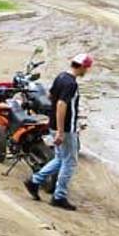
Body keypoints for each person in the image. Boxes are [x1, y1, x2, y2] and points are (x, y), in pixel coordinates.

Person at [24, 53, 93, 211]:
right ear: (82, 67)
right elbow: (62, 104)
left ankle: (34, 181)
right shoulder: (71, 84)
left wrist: (55, 125)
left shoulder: (61, 77)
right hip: (66, 128)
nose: (87, 71)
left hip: (54, 124)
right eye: (87, 68)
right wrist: (61, 132)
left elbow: (50, 95)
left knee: (60, 158)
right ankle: (59, 196)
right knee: (70, 162)